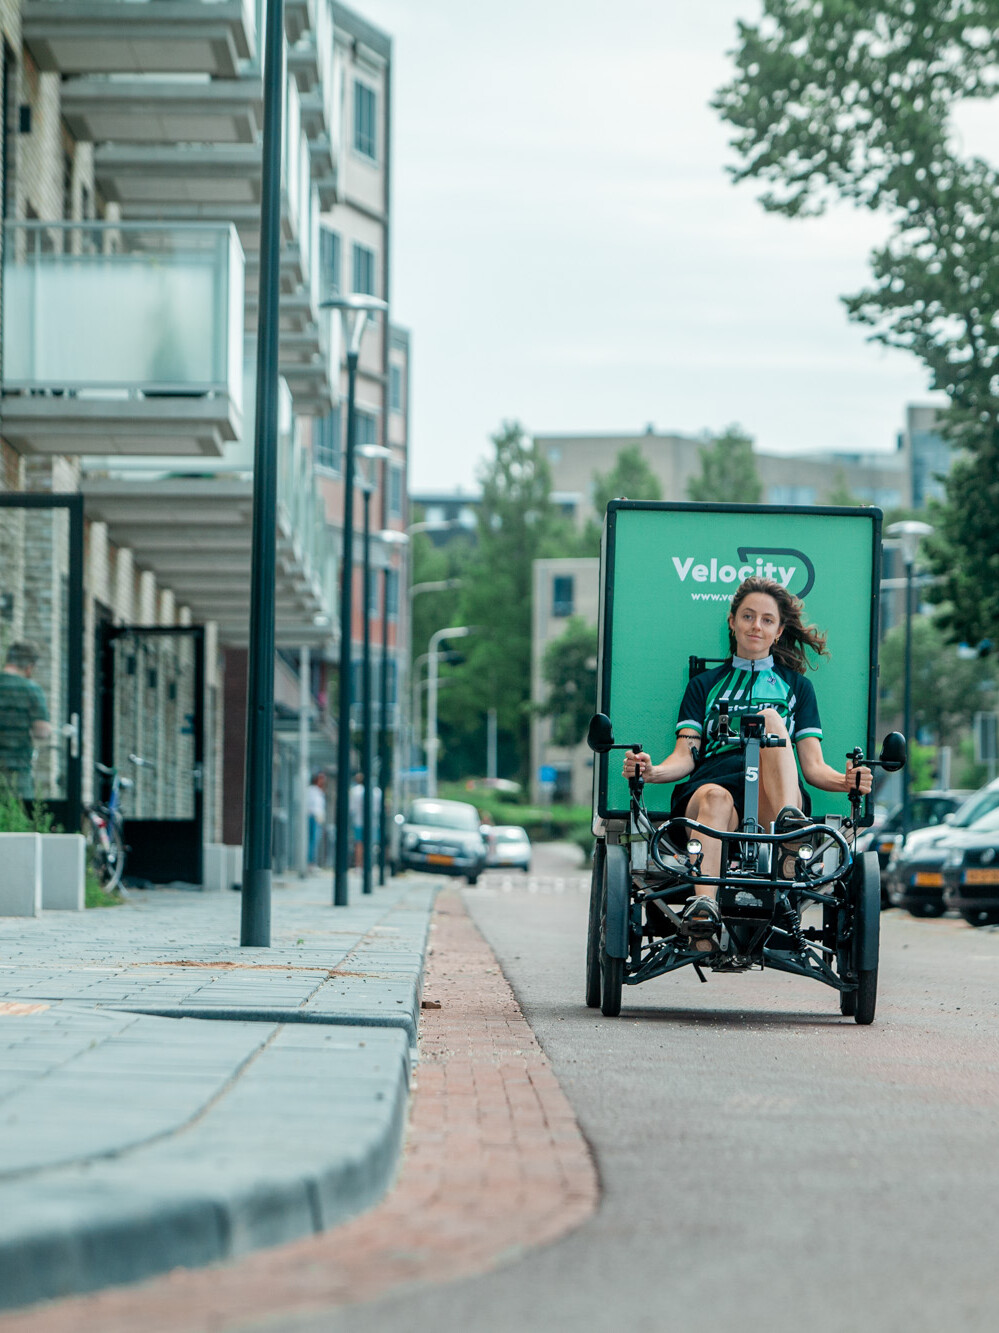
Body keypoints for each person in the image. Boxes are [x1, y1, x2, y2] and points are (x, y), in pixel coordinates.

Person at [622, 577, 872, 947]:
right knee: (714, 798)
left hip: (775, 800)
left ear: (778, 630)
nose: (757, 626)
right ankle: (704, 908)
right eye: (749, 616)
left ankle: (790, 835)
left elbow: (814, 767)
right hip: (714, 786)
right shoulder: (704, 685)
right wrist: (651, 770)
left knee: (771, 719)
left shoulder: (797, 688)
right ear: (732, 621)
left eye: (767, 620)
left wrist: (848, 781)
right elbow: (684, 756)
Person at [0, 642, 52, 801]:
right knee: (18, 818)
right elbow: (42, 731)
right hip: (17, 769)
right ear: (29, 667)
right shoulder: (31, 689)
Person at [307, 772, 327, 868]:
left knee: (315, 840)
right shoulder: (312, 790)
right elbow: (311, 805)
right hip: (313, 817)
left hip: (317, 818)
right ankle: (310, 862)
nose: (323, 781)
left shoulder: (320, 791)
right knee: (312, 840)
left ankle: (312, 862)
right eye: (321, 779)